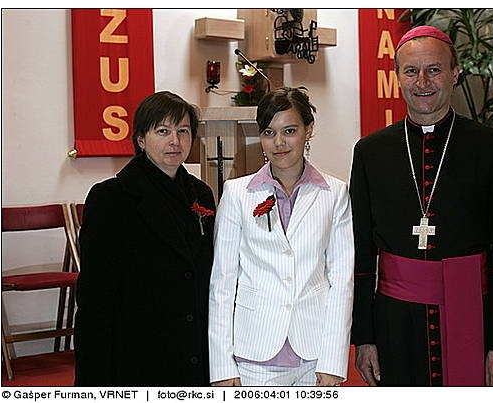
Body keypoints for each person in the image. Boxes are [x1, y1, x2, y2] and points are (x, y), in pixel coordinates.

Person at [350, 26, 493, 386]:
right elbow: (360, 253)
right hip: (395, 323)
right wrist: (364, 337)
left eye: (433, 69)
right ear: (397, 76)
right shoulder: (371, 152)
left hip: (474, 314)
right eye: (411, 71)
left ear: (454, 73)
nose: (422, 82)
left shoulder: (490, 147)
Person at [208, 87, 354, 387]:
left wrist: (333, 361)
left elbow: (342, 282)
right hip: (253, 356)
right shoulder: (237, 194)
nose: (279, 143)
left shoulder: (335, 193)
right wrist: (222, 366)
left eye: (289, 131)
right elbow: (222, 284)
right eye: (269, 132)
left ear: (308, 130)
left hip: (314, 355)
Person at [74, 91, 216, 386]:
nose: (175, 141)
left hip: (193, 349)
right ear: (141, 139)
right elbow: (95, 299)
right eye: (162, 131)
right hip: (139, 351)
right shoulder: (111, 198)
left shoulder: (201, 193)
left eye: (183, 131)